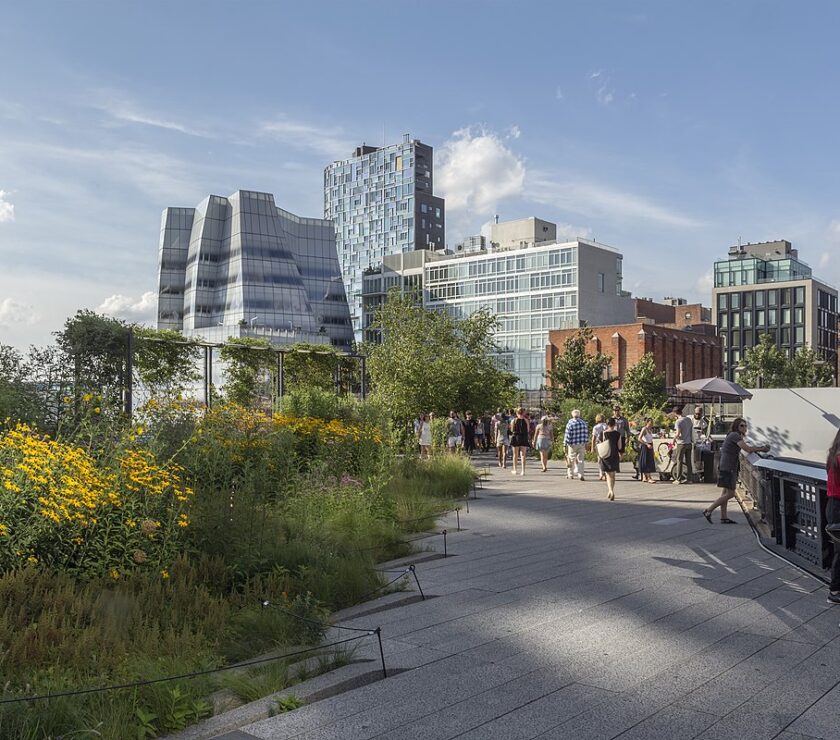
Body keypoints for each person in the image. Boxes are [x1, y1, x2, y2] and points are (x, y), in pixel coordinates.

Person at [703, 417, 769, 524]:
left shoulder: (732, 435)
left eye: (745, 426)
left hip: (726, 466)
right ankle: (708, 510)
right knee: (731, 494)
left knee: (725, 492)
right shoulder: (735, 435)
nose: (744, 428)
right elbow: (747, 449)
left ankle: (723, 517)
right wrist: (761, 449)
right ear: (736, 427)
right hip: (728, 467)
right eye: (741, 426)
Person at [825, 428, 840, 604]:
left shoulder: (832, 456)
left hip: (832, 505)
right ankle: (834, 591)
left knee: (838, 550)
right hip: (838, 506)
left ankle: (835, 590)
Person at [563, 409, 588, 481]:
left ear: (572, 415)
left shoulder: (570, 423)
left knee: (571, 459)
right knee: (581, 460)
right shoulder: (583, 423)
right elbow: (586, 434)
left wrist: (565, 444)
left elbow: (567, 435)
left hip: (572, 444)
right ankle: (581, 475)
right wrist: (585, 443)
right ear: (579, 415)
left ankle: (570, 474)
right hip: (581, 443)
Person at [601, 417, 622, 500]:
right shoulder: (618, 434)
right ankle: (611, 490)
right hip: (614, 454)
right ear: (614, 424)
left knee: (607, 474)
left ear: (607, 424)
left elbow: (602, 444)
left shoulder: (604, 433)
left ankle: (610, 490)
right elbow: (620, 446)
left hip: (606, 454)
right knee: (612, 475)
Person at [672, 406, 694, 484]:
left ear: (675, 413)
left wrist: (674, 439)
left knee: (679, 461)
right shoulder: (688, 419)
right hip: (689, 442)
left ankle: (678, 479)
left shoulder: (678, 421)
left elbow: (678, 433)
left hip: (681, 443)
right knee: (688, 461)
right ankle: (689, 479)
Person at [509, 407, 530, 476]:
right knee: (523, 455)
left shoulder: (514, 420)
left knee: (515, 455)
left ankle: (515, 469)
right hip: (524, 437)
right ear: (523, 413)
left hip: (516, 437)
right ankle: (523, 470)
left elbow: (512, 430)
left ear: (516, 413)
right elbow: (528, 430)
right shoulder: (526, 420)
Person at [637, 417, 657, 483]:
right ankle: (649, 478)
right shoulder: (644, 429)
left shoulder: (650, 430)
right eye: (651, 422)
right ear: (647, 422)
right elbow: (639, 438)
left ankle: (645, 477)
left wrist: (653, 449)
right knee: (646, 461)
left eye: (652, 422)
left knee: (649, 461)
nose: (652, 424)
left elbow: (651, 440)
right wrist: (646, 444)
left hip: (650, 445)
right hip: (645, 446)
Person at [692, 405, 708, 475]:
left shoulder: (703, 423)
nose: (697, 415)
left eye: (699, 414)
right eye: (696, 413)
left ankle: (698, 469)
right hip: (691, 440)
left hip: (699, 441)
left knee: (698, 454)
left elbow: (705, 433)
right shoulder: (690, 419)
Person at [591, 413, 607, 481]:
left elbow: (593, 438)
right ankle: (606, 473)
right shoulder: (607, 426)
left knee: (600, 459)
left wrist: (592, 447)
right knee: (606, 458)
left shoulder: (596, 427)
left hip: (599, 444)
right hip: (606, 443)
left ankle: (601, 473)